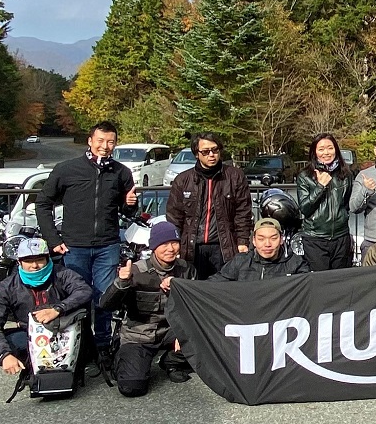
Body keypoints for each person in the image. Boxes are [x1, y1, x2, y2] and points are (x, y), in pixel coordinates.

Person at [35, 120, 138, 352]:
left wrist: (131, 203)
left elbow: (127, 211)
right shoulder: (66, 169)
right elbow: (42, 204)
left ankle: (102, 346)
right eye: (100, 140)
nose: (105, 146)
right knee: (77, 298)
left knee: (104, 299)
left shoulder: (122, 172)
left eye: (110, 142)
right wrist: (53, 239)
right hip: (74, 246)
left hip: (107, 245)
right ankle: (79, 346)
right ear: (90, 141)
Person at [99, 221, 193, 396]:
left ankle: (171, 361)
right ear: (154, 247)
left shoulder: (186, 270)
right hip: (139, 335)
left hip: (170, 331)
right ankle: (123, 358)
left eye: (174, 243)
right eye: (164, 244)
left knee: (204, 341)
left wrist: (185, 333)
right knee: (132, 387)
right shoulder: (136, 271)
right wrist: (122, 283)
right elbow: (106, 305)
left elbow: (195, 307)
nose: (170, 249)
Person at [0, 238, 92, 377]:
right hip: (28, 333)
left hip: (64, 330)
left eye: (39, 260)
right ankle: (30, 365)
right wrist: (5, 355)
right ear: (19, 262)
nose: (34, 265)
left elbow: (84, 290)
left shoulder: (61, 273)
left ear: (47, 258)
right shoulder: (6, 287)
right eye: (28, 261)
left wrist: (58, 309)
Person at [166, 132, 253, 279]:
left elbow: (243, 213)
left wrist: (243, 241)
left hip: (224, 246)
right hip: (192, 247)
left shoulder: (235, 176)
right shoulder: (183, 180)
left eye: (215, 150)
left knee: (224, 287)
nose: (211, 155)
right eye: (206, 152)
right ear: (196, 154)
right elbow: (174, 217)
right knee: (194, 288)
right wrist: (175, 244)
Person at [296, 132, 356, 271]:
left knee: (340, 279)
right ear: (314, 152)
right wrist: (320, 187)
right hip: (315, 237)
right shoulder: (305, 176)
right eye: (321, 149)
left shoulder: (345, 174)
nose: (326, 153)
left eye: (330, 148)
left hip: (341, 236)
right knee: (320, 280)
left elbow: (347, 203)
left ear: (336, 150)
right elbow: (305, 208)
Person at [211, 218, 311, 280]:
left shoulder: (295, 263)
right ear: (254, 241)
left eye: (273, 238)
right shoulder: (241, 261)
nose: (267, 244)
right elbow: (214, 284)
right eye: (261, 239)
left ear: (281, 240)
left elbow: (307, 287)